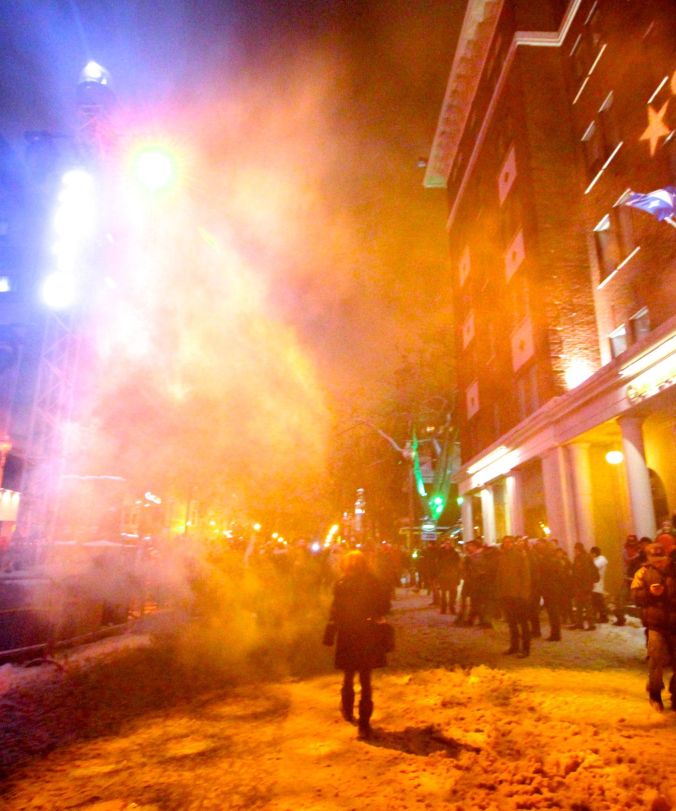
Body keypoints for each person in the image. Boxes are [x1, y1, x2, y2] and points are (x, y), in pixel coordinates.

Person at [327, 550, 391, 739]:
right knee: (366, 679)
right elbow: (384, 607)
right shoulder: (373, 582)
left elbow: (336, 609)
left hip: (347, 633)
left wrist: (335, 625)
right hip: (368, 632)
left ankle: (347, 711)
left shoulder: (341, 584)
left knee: (348, 675)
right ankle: (364, 724)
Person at [630, 542, 676, 712]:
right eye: (654, 559)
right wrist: (649, 593)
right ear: (649, 559)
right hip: (655, 625)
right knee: (655, 660)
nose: (658, 562)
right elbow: (634, 597)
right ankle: (655, 693)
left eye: (661, 558)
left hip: (674, 623)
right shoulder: (642, 573)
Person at [496, 536, 532, 658]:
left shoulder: (520, 556)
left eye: (509, 542)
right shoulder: (502, 556)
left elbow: (526, 575)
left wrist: (524, 593)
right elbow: (499, 576)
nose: (507, 544)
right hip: (506, 594)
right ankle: (514, 645)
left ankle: (526, 648)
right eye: (505, 542)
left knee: (523, 622)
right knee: (511, 623)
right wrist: (500, 591)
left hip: (518, 594)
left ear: (513, 543)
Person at [569, 543, 597, 630]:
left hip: (584, 586)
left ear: (579, 549)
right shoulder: (578, 558)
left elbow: (587, 573)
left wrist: (587, 586)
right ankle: (579, 623)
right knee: (579, 605)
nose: (574, 551)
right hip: (579, 586)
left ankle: (591, 624)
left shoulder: (584, 558)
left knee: (587, 605)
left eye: (575, 550)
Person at [590, 546, 609, 623]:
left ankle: (604, 616)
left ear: (594, 553)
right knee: (596, 601)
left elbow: (593, 568)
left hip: (598, 583)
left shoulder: (601, 560)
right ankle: (600, 616)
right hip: (595, 583)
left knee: (599, 601)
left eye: (591, 553)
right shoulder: (597, 560)